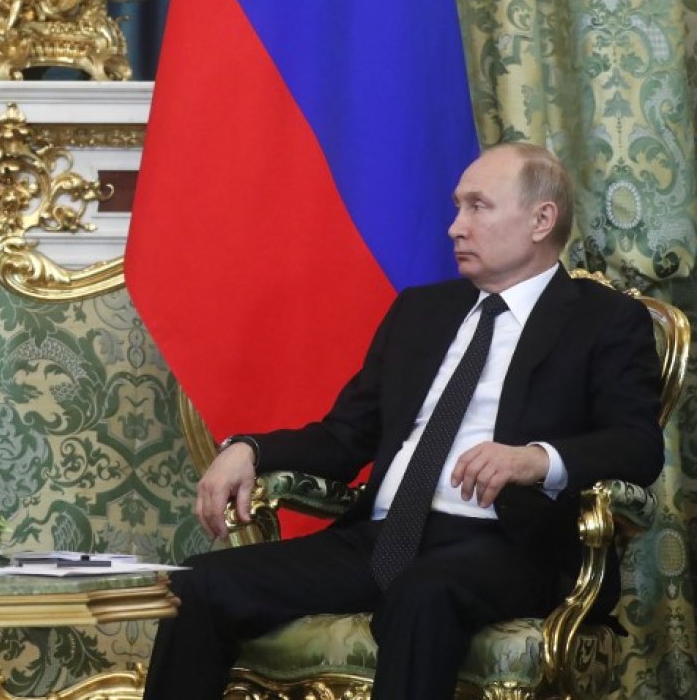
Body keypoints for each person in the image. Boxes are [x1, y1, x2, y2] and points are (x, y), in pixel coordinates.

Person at [143, 142, 663, 700]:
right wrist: (249, 448)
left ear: (541, 220)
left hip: (506, 544)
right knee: (198, 585)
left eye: (478, 207)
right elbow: (344, 437)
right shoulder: (420, 311)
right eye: (457, 207)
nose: (455, 227)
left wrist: (535, 459)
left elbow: (637, 446)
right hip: (385, 538)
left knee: (422, 593)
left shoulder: (604, 320)